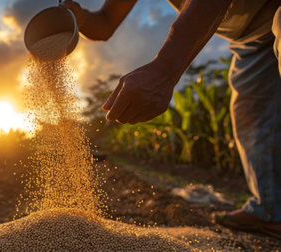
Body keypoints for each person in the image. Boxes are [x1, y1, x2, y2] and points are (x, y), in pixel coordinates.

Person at [61, 0, 281, 239]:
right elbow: (104, 23)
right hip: (251, 38)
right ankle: (269, 211)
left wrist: (165, 70)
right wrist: (79, 16)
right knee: (251, 115)